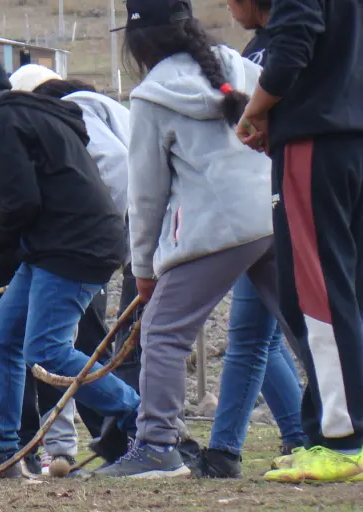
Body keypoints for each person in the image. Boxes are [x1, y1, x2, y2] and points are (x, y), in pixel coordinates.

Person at [94, 0, 298, 479]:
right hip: (273, 212)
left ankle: (157, 446)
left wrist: (143, 270)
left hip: (217, 228)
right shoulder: (238, 65)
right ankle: (346, 431)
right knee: (305, 325)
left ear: (139, 43)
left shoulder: (150, 97)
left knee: (163, 331)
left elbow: (146, 195)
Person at [0, 44, 136, 479]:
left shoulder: (3, 124)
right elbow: (32, 203)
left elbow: (21, 204)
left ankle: (147, 420)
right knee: (0, 335)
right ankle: (0, 452)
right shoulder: (33, 113)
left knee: (45, 350)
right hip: (53, 246)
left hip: (74, 248)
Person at [234, 0, 363, 483]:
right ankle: (324, 434)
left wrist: (256, 111)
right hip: (350, 137)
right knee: (345, 291)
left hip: (315, 140)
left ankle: (344, 441)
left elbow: (292, 43)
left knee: (316, 294)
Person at [7, 65, 133, 472]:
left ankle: (141, 422)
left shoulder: (69, 112)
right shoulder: (78, 112)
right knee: (50, 345)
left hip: (89, 245)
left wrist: (97, 221)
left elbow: (115, 164)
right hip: (88, 245)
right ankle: (122, 438)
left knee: (54, 348)